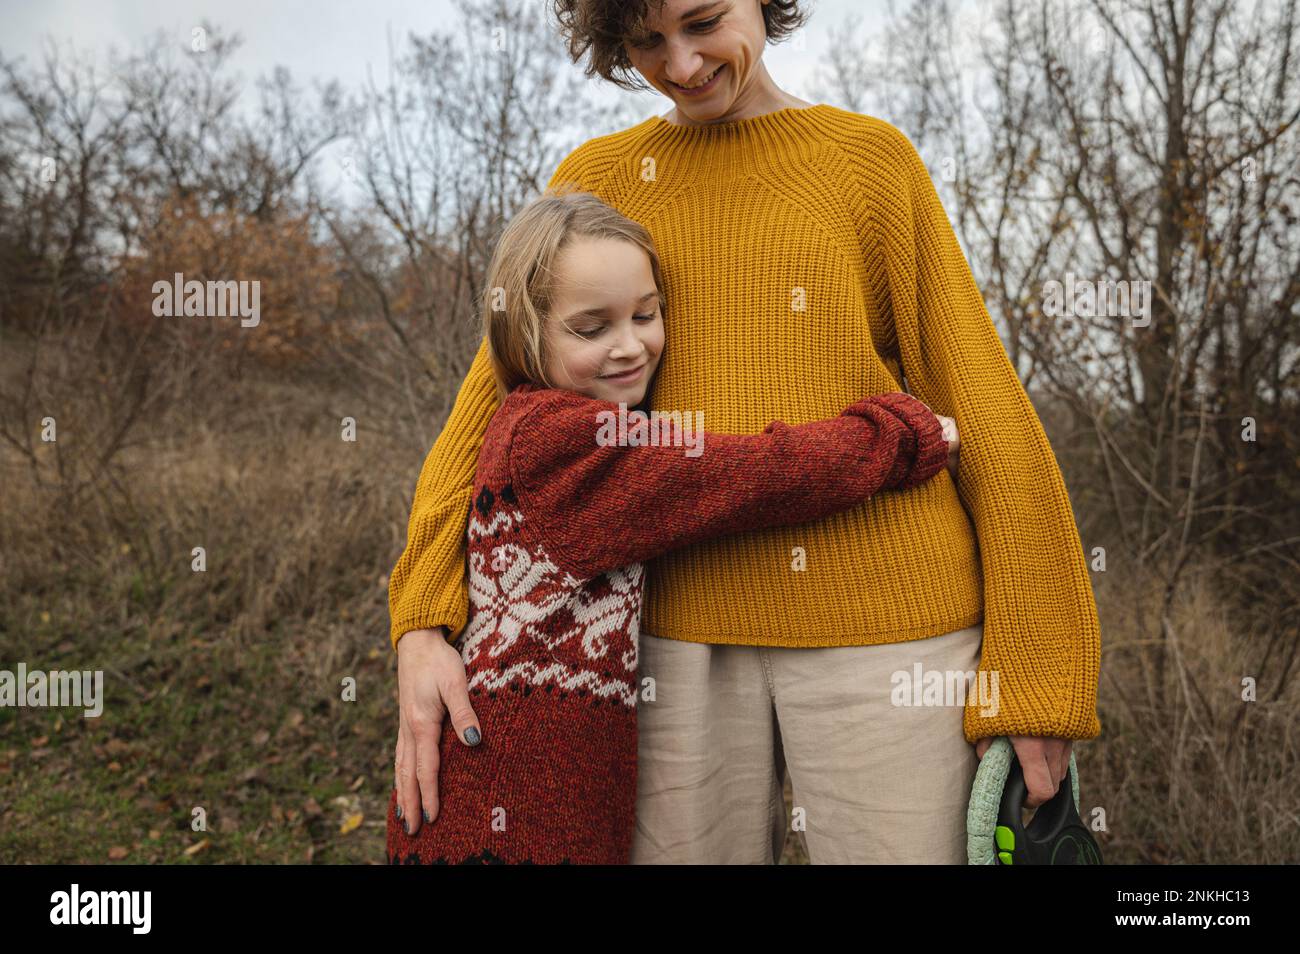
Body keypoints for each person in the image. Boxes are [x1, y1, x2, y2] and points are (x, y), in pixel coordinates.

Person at [388, 0, 1101, 864]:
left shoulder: (869, 163)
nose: (682, 64)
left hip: (892, 627)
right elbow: (487, 415)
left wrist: (1037, 674)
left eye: (703, 21)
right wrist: (423, 621)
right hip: (666, 642)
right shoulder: (599, 178)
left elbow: (984, 407)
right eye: (647, 41)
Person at [385, 189, 955, 863]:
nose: (630, 346)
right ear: (526, 333)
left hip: (525, 794)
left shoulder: (532, 426)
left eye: (647, 315)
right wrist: (897, 438)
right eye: (591, 329)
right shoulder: (566, 445)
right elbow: (751, 477)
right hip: (512, 814)